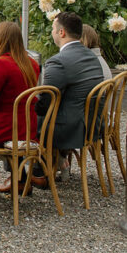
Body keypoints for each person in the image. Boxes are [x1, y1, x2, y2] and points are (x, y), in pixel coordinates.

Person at [33, 11, 105, 188]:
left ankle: (31, 175)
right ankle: (52, 163)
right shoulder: (92, 56)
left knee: (21, 119)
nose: (52, 32)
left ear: (61, 32)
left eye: (53, 29)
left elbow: (45, 104)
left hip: (70, 129)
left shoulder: (58, 62)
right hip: (92, 124)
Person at [0, 21, 40, 196]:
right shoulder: (31, 63)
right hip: (27, 126)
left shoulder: (0, 64)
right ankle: (18, 179)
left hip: (6, 127)